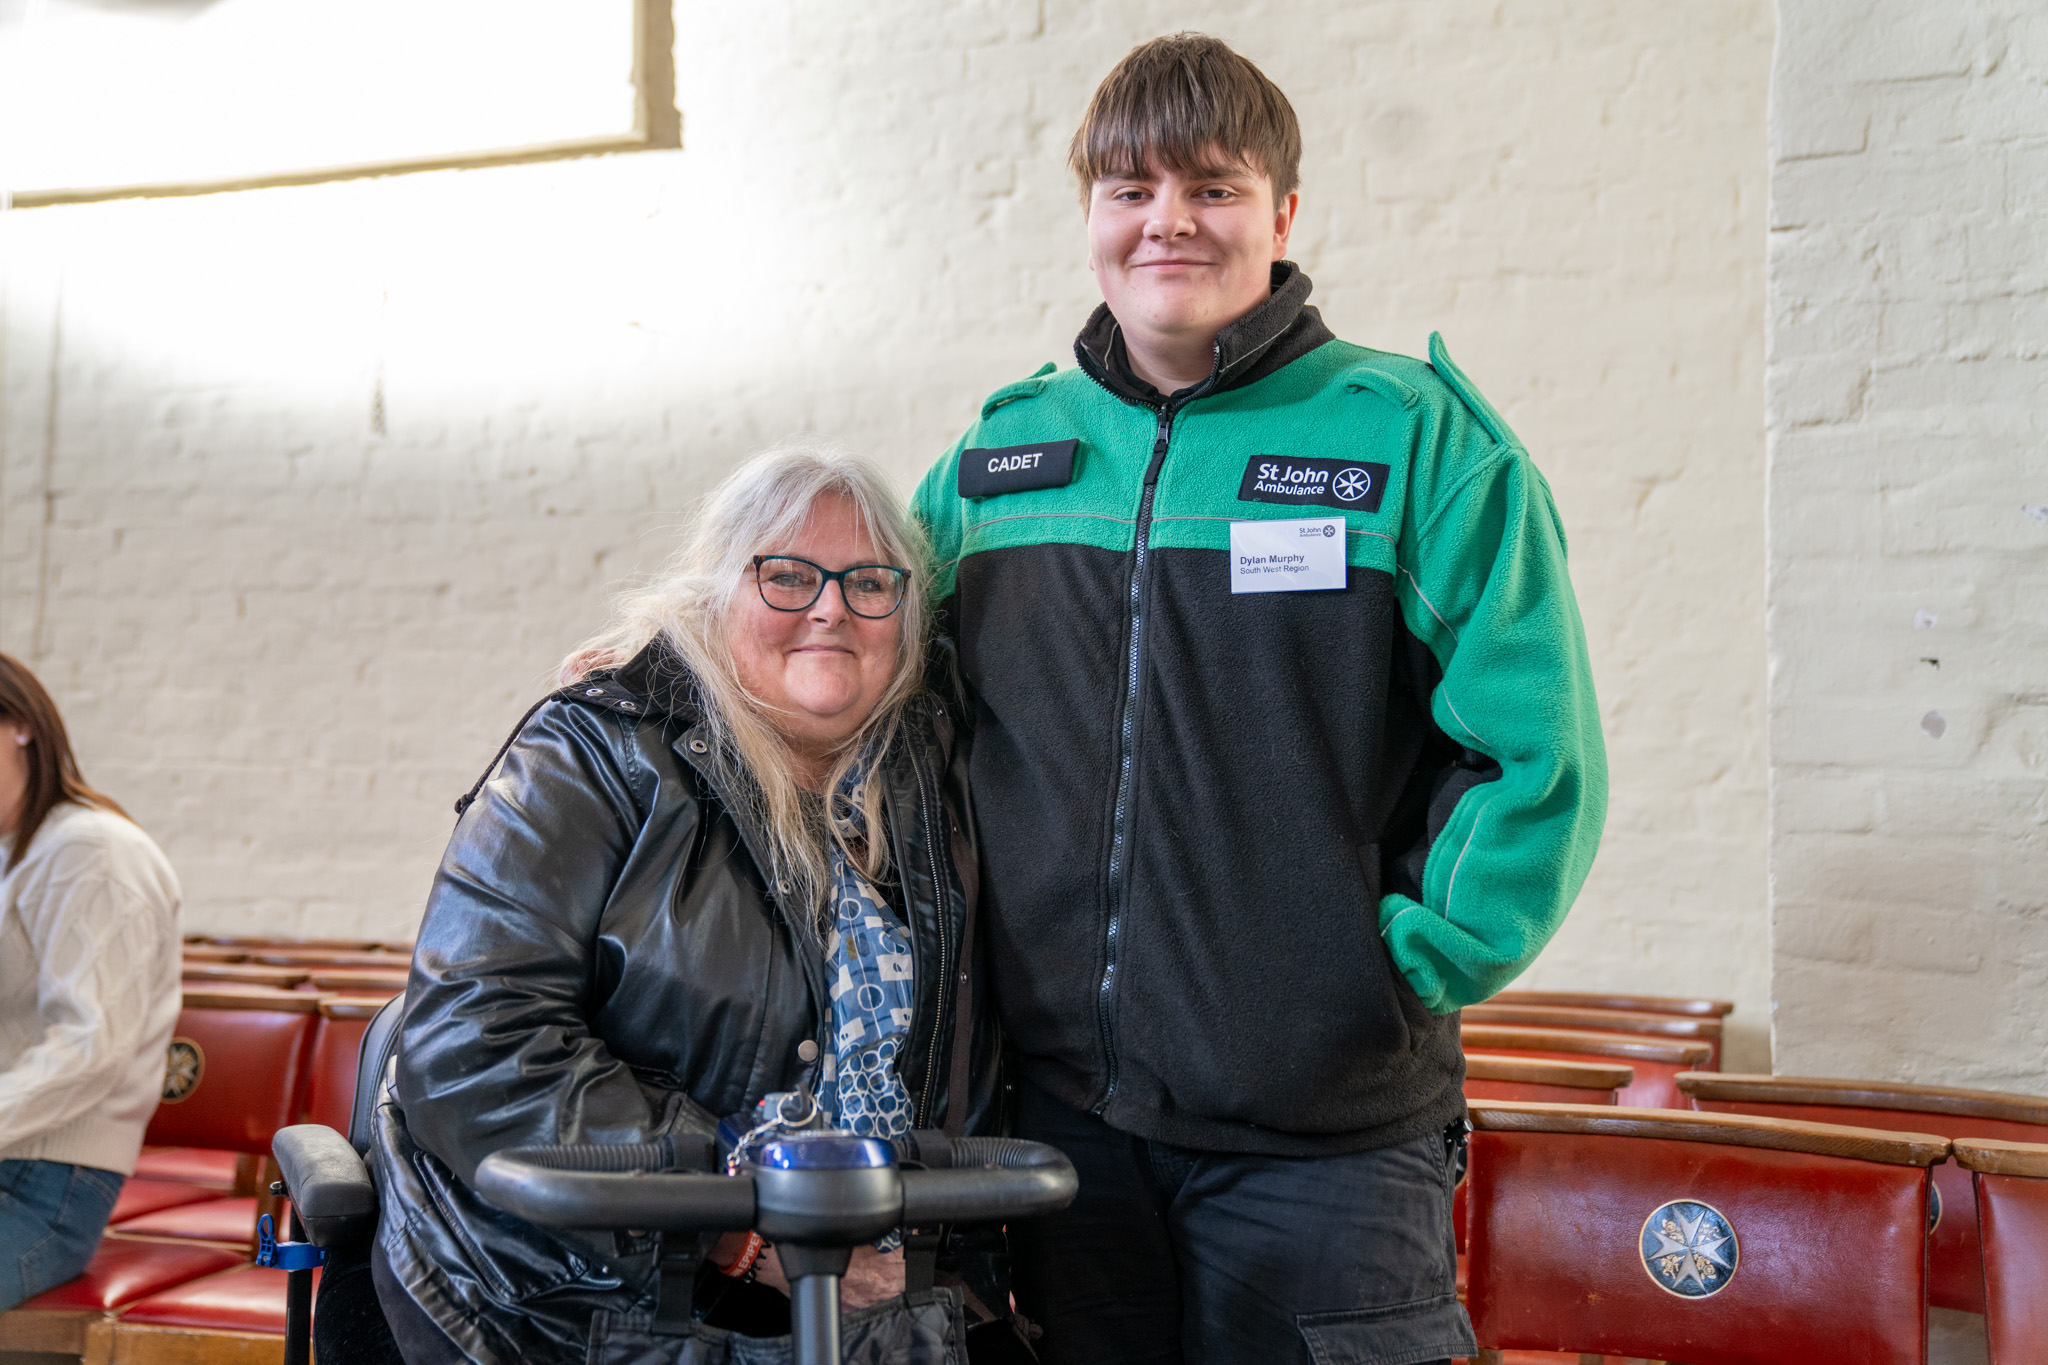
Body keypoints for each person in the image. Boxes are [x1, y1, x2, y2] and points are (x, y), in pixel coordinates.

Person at [913, 33, 1607, 1365]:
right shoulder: (1003, 458)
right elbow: (848, 643)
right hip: (1060, 1130)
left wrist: (1397, 964)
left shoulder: (1413, 439)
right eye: (1131, 191)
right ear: (1090, 219)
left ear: (1282, 214)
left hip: (1325, 1145)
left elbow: (1537, 748)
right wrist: (661, 659)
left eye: (1213, 187)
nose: (1168, 219)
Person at [368, 446, 1008, 1365]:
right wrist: (739, 1220)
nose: (831, 605)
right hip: (576, 1300)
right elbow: (473, 1042)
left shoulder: (930, 777)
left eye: (870, 582)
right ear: (713, 598)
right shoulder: (592, 753)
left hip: (878, 1300)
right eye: (786, 576)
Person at [0, 653, 182, 1310]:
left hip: (41, 1180)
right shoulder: (16, 853)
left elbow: (90, 1047)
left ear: (19, 723)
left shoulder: (88, 850)